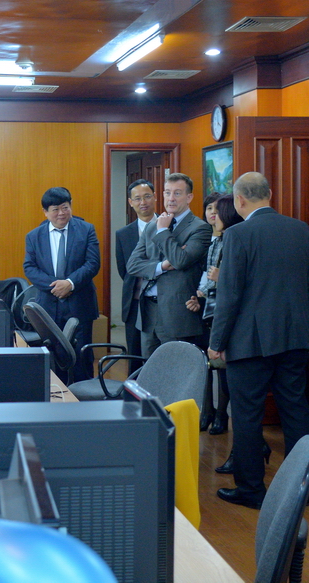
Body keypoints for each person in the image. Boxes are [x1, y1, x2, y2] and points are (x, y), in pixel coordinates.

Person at [208, 172, 309, 509]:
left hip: (250, 343)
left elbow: (229, 295)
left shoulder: (238, 234)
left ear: (239, 200)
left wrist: (216, 341)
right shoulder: (301, 230)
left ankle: (252, 490)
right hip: (296, 337)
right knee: (295, 410)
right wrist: (304, 326)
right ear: (269, 194)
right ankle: (302, 488)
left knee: (247, 415)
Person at [126, 173, 212, 358]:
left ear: (189, 197)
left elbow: (180, 260)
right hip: (148, 312)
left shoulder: (200, 228)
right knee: (148, 369)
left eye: (177, 193)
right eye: (167, 192)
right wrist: (162, 266)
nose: (171, 198)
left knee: (176, 369)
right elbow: (132, 265)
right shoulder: (152, 226)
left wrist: (164, 230)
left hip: (177, 314)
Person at [23, 187, 100, 381]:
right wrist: (57, 286)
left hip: (80, 305)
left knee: (82, 358)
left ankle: (83, 397)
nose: (61, 213)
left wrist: (70, 283)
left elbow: (93, 263)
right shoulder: (34, 236)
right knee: (55, 359)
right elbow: (29, 267)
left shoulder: (86, 230)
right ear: (45, 212)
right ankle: (57, 396)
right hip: (49, 307)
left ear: (71, 206)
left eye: (65, 207)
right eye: (55, 209)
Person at [186, 194, 242, 434]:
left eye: (217, 211)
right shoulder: (214, 239)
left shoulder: (234, 238)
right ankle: (207, 411)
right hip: (208, 307)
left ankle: (222, 414)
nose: (213, 215)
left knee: (223, 366)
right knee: (207, 363)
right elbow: (207, 274)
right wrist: (199, 297)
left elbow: (229, 277)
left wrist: (219, 280)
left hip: (225, 310)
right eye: (209, 209)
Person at [114, 179, 157, 363]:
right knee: (135, 355)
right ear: (130, 202)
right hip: (134, 303)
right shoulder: (123, 234)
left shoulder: (169, 226)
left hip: (161, 303)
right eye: (137, 198)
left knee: (159, 356)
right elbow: (124, 270)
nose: (143, 202)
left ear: (155, 198)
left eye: (147, 196)